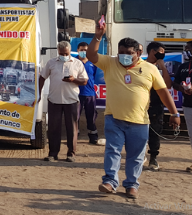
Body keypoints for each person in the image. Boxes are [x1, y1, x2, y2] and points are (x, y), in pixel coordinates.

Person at [89, 23, 180, 200]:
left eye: (129, 53)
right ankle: (110, 182)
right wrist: (98, 36)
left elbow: (163, 92)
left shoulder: (150, 69)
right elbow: (91, 55)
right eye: (121, 52)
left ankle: (131, 185)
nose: (124, 56)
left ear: (138, 53)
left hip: (139, 121)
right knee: (112, 150)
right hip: (114, 118)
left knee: (136, 156)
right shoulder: (110, 63)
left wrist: (175, 114)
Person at [38, 41, 89, 162]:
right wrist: (39, 93)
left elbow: (84, 81)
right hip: (54, 100)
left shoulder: (77, 63)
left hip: (71, 100)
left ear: (70, 51)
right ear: (58, 51)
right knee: (53, 128)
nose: (64, 55)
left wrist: (73, 80)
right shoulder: (51, 62)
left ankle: (71, 154)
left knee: (71, 128)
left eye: (66, 53)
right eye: (61, 53)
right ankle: (53, 153)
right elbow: (42, 77)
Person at [173, 40, 192, 172]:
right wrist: (182, 89)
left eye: (188, 49)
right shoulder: (183, 66)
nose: (186, 51)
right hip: (188, 106)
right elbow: (175, 83)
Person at [145, 41, 172, 171]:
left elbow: (168, 86)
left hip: (157, 105)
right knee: (138, 132)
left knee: (155, 132)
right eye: (160, 53)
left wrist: (162, 67)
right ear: (152, 52)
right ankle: (138, 156)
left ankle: (153, 158)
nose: (163, 55)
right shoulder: (142, 65)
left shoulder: (161, 68)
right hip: (142, 105)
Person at [76, 42, 104, 145]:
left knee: (91, 116)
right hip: (76, 93)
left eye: (85, 50)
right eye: (82, 50)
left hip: (90, 94)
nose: (84, 52)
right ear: (78, 50)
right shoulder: (74, 61)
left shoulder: (93, 62)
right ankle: (74, 136)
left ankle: (93, 137)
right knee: (75, 116)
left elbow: (94, 75)